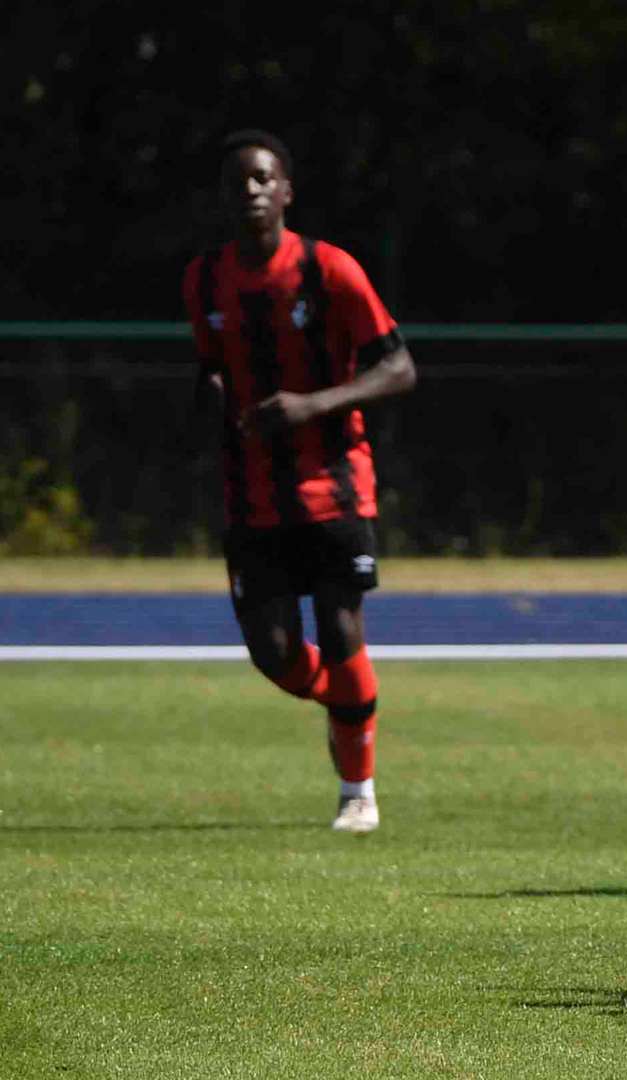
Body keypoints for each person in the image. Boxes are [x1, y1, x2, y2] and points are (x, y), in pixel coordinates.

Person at [183, 129, 418, 833]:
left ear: (286, 190)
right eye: (238, 183)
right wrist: (214, 396)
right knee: (273, 653)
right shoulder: (203, 278)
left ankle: (358, 791)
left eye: (263, 179)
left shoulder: (330, 269)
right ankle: (349, 707)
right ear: (225, 198)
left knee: (341, 627)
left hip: (334, 485)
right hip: (250, 492)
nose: (251, 192)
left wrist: (312, 405)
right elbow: (211, 364)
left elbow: (399, 368)